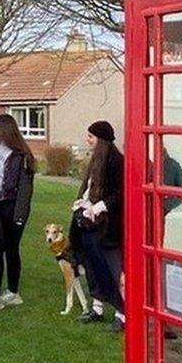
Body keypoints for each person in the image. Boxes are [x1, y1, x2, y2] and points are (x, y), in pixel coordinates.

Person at [69, 120, 125, 332]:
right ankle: (98, 307)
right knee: (92, 266)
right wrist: (82, 203)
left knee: (110, 269)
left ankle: (122, 312)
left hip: (106, 226)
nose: (87, 140)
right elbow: (90, 188)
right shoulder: (96, 160)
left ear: (101, 139)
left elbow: (119, 194)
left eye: (91, 137)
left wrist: (99, 206)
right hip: (88, 223)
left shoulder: (116, 162)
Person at [0, 114, 34, 312]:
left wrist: (20, 214)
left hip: (12, 206)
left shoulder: (21, 155)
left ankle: (13, 292)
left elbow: (25, 187)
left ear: (6, 128)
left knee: (11, 248)